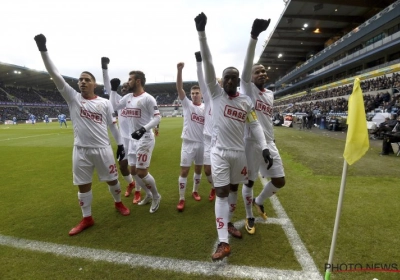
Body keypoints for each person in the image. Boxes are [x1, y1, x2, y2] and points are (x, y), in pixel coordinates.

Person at [195, 12, 273, 261]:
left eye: (233, 77)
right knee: (220, 192)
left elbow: (256, 126)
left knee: (232, 192)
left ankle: (227, 224)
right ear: (221, 80)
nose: (229, 79)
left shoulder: (245, 102)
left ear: (238, 81)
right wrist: (202, 34)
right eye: (225, 76)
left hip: (239, 154)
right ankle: (223, 242)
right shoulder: (215, 94)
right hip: (219, 153)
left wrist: (263, 147)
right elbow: (208, 62)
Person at [34, 34, 130, 236]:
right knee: (82, 185)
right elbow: (55, 73)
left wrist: (120, 145)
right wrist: (43, 49)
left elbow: (112, 126)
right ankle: (87, 218)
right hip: (81, 150)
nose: (83, 82)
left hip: (103, 149)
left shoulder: (104, 103)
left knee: (112, 180)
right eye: (80, 79)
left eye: (87, 80)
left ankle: (118, 203)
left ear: (94, 84)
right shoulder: (73, 98)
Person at [240, 18, 286, 235]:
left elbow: (266, 121)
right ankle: (249, 215)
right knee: (248, 181)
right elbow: (247, 65)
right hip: (250, 142)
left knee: (279, 180)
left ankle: (259, 201)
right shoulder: (247, 89)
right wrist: (254, 37)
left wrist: (272, 139)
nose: (261, 73)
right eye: (257, 71)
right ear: (250, 76)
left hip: (269, 142)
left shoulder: (270, 94)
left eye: (263, 71)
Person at [108, 69, 162, 213]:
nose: (128, 81)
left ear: (138, 81)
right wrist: (113, 90)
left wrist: (143, 129)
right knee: (133, 171)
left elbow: (157, 118)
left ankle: (157, 196)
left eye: (130, 79)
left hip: (144, 138)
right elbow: (114, 106)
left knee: (142, 172)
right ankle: (148, 194)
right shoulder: (128, 97)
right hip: (132, 140)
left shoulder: (148, 98)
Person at [101, 58, 143, 204]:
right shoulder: (118, 100)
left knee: (135, 167)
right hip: (122, 139)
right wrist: (104, 68)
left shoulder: (135, 100)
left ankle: (138, 191)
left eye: (126, 87)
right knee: (123, 166)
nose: (124, 89)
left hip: (135, 138)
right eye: (123, 88)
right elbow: (108, 86)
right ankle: (131, 183)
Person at [175, 62, 205, 211]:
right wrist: (179, 70)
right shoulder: (187, 104)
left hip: (202, 143)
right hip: (188, 143)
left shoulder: (207, 108)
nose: (194, 95)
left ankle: (195, 191)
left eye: (196, 93)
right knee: (184, 171)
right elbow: (179, 88)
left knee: (198, 169)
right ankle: (181, 198)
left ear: (201, 94)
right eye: (192, 93)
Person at [195, 51, 216, 201]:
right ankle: (214, 187)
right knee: (207, 170)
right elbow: (202, 80)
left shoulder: (227, 99)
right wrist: (199, 62)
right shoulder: (208, 98)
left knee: (223, 169)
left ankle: (224, 191)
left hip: (222, 140)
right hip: (208, 140)